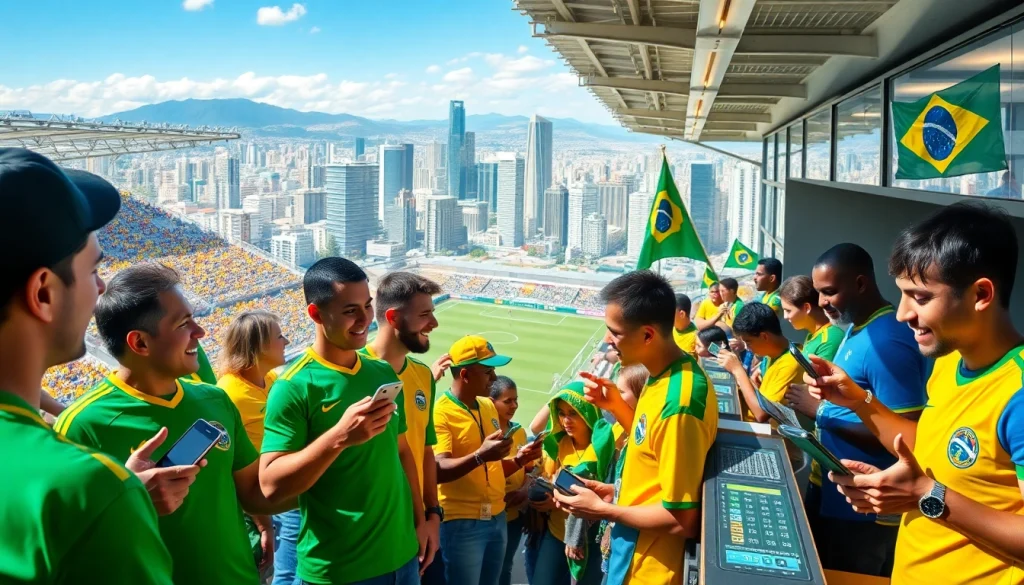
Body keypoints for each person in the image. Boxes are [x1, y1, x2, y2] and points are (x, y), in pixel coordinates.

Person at [807, 203, 1024, 585]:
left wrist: (927, 495)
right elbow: (926, 446)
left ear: (981, 294)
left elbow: (933, 493)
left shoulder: (1017, 394)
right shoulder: (949, 362)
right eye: (902, 295)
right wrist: (858, 400)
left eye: (920, 297)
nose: (903, 313)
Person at [0, 148, 177, 584]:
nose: (100, 288)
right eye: (93, 270)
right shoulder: (83, 490)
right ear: (43, 293)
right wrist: (112, 501)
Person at [56, 263, 289, 585]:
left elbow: (251, 489)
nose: (201, 332)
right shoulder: (81, 426)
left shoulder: (215, 400)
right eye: (183, 323)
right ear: (140, 343)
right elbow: (64, 548)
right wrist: (129, 499)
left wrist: (265, 524)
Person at [259, 257, 427, 585]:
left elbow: (402, 452)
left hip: (404, 559)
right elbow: (270, 485)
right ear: (316, 314)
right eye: (351, 310)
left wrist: (421, 521)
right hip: (340, 570)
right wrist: (339, 437)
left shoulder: (382, 372)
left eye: (367, 306)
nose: (365, 319)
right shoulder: (293, 386)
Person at [555, 271, 718, 584]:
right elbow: (651, 452)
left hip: (648, 569)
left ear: (647, 335)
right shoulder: (664, 376)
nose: (607, 340)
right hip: (629, 554)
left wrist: (602, 510)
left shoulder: (679, 404)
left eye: (615, 332)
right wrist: (613, 491)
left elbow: (681, 519)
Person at [807, 243, 930, 576]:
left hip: (865, 509)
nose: (822, 303)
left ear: (860, 284)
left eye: (829, 292)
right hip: (839, 497)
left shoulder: (886, 340)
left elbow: (906, 436)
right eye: (819, 293)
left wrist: (821, 415)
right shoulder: (856, 328)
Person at [433, 335, 542, 585]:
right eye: (488, 372)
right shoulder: (441, 412)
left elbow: (489, 467)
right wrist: (480, 455)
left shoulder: (488, 406)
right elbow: (438, 469)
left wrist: (518, 460)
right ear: (465, 375)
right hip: (461, 522)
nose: (494, 378)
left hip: (497, 515)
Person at [359, 271, 443, 580]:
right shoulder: (353, 372)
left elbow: (425, 450)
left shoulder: (422, 375)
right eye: (424, 315)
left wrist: (432, 514)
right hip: (371, 534)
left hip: (418, 528)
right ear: (393, 318)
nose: (434, 323)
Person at [216, 311, 292, 584]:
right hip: (267, 504)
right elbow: (235, 468)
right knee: (287, 573)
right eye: (279, 336)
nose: (286, 341)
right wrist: (263, 525)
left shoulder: (270, 379)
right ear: (259, 347)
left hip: (285, 490)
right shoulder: (229, 395)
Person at [534, 382, 616, 585]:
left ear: (587, 412)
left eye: (573, 413)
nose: (566, 421)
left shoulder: (604, 450)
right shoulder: (558, 443)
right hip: (556, 532)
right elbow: (550, 479)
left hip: (588, 541)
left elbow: (602, 497)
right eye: (561, 413)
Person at [717, 303, 805, 424]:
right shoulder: (773, 353)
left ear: (764, 336)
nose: (747, 347)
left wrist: (738, 370)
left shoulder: (791, 363)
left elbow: (761, 413)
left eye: (748, 342)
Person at [777, 275, 844, 421]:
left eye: (788, 310)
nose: (786, 317)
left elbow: (823, 390)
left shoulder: (830, 339)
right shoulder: (812, 335)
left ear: (806, 308)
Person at [491, 376, 530, 585]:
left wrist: (524, 490)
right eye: (507, 401)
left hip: (513, 518)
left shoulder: (520, 432)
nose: (514, 406)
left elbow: (530, 470)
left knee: (505, 567)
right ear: (491, 402)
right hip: (487, 516)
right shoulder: (486, 434)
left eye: (516, 400)